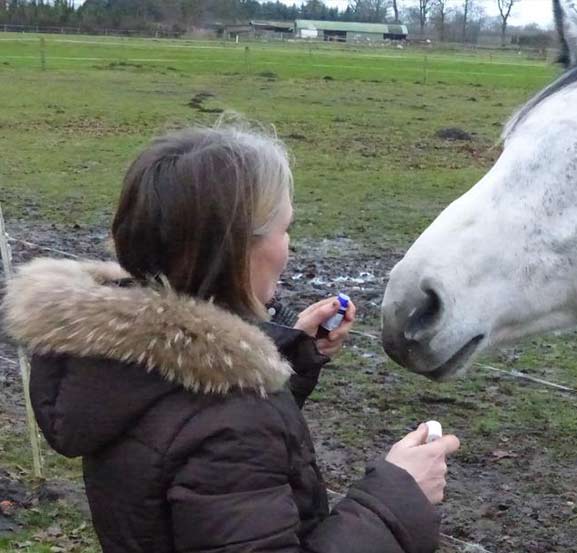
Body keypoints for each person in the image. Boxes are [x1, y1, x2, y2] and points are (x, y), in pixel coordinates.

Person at [2, 124, 461, 553]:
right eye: (286, 229)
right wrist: (395, 497)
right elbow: (225, 438)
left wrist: (286, 351)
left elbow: (190, 428)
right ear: (238, 248)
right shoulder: (233, 426)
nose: (289, 247)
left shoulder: (114, 362)